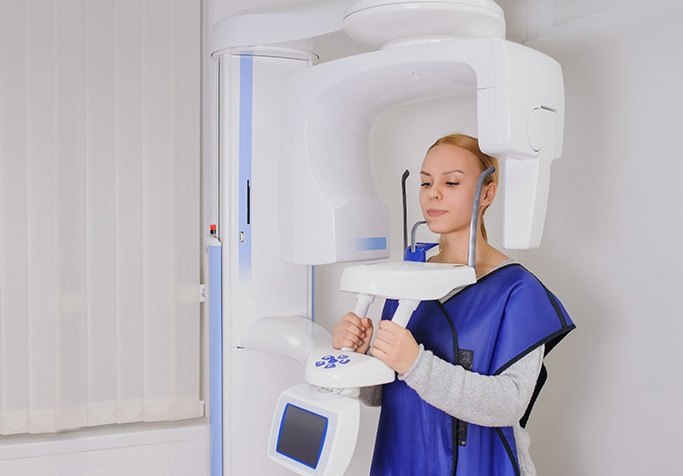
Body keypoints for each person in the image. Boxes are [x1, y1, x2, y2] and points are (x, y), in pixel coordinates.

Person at [332, 133, 575, 476]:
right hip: (403, 461)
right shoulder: (405, 278)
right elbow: (380, 395)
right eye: (426, 182)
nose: (434, 192)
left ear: (487, 193)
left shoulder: (518, 291)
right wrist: (358, 356)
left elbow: (509, 403)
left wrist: (415, 362)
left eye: (451, 182)